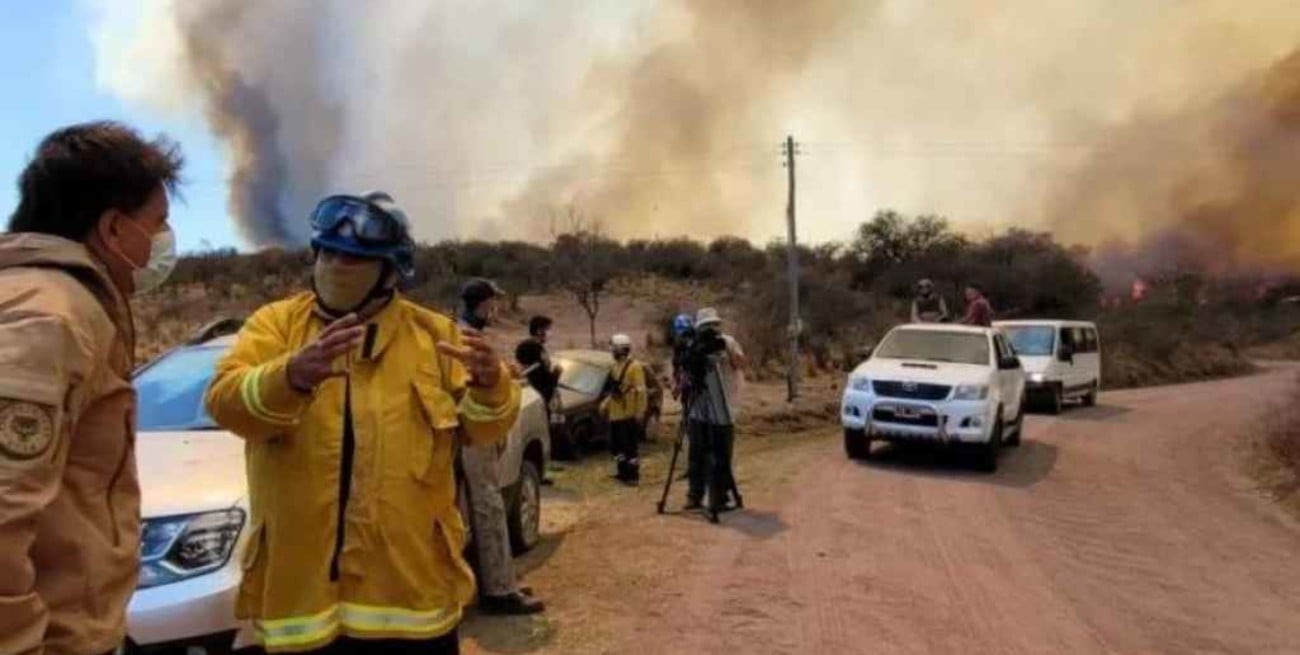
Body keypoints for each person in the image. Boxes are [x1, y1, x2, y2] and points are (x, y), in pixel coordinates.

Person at [205, 191, 522, 653]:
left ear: (390, 271)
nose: (336, 266)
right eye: (328, 253)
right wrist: (289, 376)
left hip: (413, 604)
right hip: (303, 611)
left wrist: (492, 385)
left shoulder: (436, 336)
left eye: (353, 258)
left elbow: (482, 430)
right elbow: (224, 402)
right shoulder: (275, 326)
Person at [0, 122, 183, 655]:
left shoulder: (39, 301)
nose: (164, 239)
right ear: (113, 228)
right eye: (158, 222)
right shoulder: (49, 319)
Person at [456, 279, 544, 616]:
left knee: (483, 507)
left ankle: (497, 582)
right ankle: (499, 591)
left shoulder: (466, 333)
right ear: (483, 303)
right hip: (471, 434)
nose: (496, 309)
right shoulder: (464, 337)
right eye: (493, 303)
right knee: (487, 506)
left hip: (475, 431)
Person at [683, 308, 747, 520]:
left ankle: (720, 496)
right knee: (696, 453)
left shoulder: (727, 342)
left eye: (713, 325)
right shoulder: (694, 346)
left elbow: (742, 364)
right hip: (699, 408)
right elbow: (686, 372)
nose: (710, 330)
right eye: (706, 327)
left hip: (724, 407)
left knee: (721, 455)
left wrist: (727, 351)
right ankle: (694, 495)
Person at [600, 334, 647, 485]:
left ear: (621, 349)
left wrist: (640, 411)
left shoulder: (635, 367)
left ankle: (633, 476)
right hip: (615, 413)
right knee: (616, 446)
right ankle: (622, 472)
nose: (612, 352)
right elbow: (614, 390)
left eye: (614, 349)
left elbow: (641, 390)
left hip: (628, 413)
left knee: (630, 447)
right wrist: (605, 404)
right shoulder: (614, 366)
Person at [515, 315, 560, 409]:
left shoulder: (526, 346)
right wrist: (556, 373)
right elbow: (540, 377)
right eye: (548, 329)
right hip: (539, 397)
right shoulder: (533, 348)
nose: (550, 333)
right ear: (539, 331)